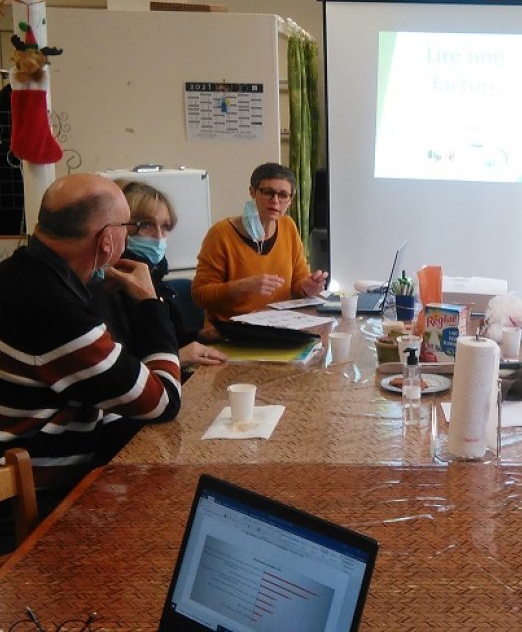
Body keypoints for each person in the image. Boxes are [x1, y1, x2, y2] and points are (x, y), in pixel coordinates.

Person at [0, 173, 181, 533]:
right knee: (165, 516)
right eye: (128, 227)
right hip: (33, 500)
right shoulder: (55, 310)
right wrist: (149, 303)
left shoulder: (17, 273)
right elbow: (162, 401)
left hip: (26, 467)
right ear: (106, 240)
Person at [91, 181, 227, 370]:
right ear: (119, 227)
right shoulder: (106, 285)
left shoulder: (155, 277)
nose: (158, 235)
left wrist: (199, 336)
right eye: (146, 225)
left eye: (165, 226)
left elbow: (162, 338)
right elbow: (116, 368)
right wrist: (176, 358)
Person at [192, 163, 328, 337]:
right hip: (231, 332)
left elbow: (297, 282)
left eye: (283, 195)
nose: (275, 201)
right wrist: (241, 286)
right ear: (252, 192)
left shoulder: (288, 226)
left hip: (280, 327)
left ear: (290, 200)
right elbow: (200, 295)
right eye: (268, 192)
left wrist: (306, 288)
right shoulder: (221, 234)